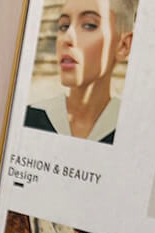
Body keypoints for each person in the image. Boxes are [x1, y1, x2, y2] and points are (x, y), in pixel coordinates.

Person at [25, 0, 136, 144]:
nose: (66, 38)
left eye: (89, 25)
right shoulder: (29, 117)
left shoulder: (132, 132)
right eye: (64, 26)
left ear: (123, 46)